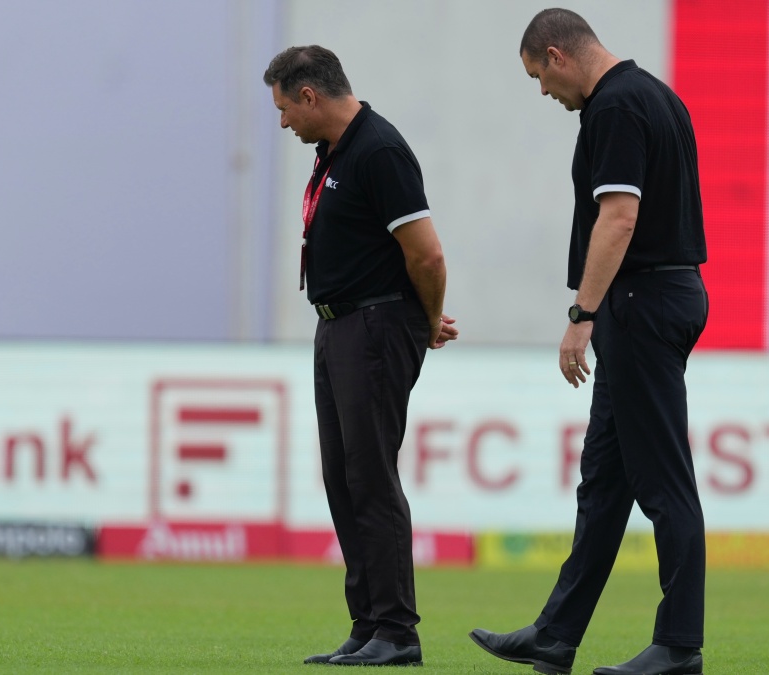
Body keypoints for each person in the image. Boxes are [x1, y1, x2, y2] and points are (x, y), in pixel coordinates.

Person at [469, 9, 708, 675]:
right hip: (661, 295)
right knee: (604, 481)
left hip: (641, 302)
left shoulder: (614, 106)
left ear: (557, 55)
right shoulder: (656, 95)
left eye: (539, 77)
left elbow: (621, 216)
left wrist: (583, 313)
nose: (544, 92)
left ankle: (680, 644)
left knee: (664, 481)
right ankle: (555, 635)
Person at [263, 45, 457, 667]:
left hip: (374, 326)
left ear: (310, 95)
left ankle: (397, 631)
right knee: (344, 479)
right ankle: (368, 622)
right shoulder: (335, 151)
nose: (283, 122)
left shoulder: (379, 150)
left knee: (371, 477)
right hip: (339, 326)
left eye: (285, 108)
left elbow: (427, 254)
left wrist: (427, 320)